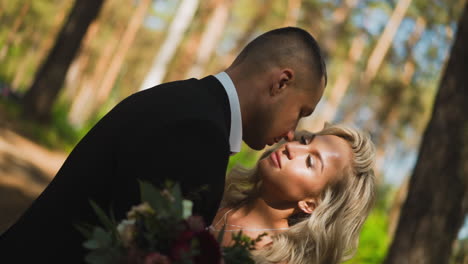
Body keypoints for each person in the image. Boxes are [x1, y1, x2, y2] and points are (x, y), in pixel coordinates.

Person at [0, 27, 327, 262]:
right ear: (281, 83)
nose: (290, 134)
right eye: (301, 113)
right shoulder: (199, 136)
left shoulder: (185, 99)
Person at [209, 124, 376, 264]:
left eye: (310, 161)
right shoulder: (214, 193)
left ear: (311, 204)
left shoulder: (276, 259)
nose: (291, 147)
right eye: (304, 141)